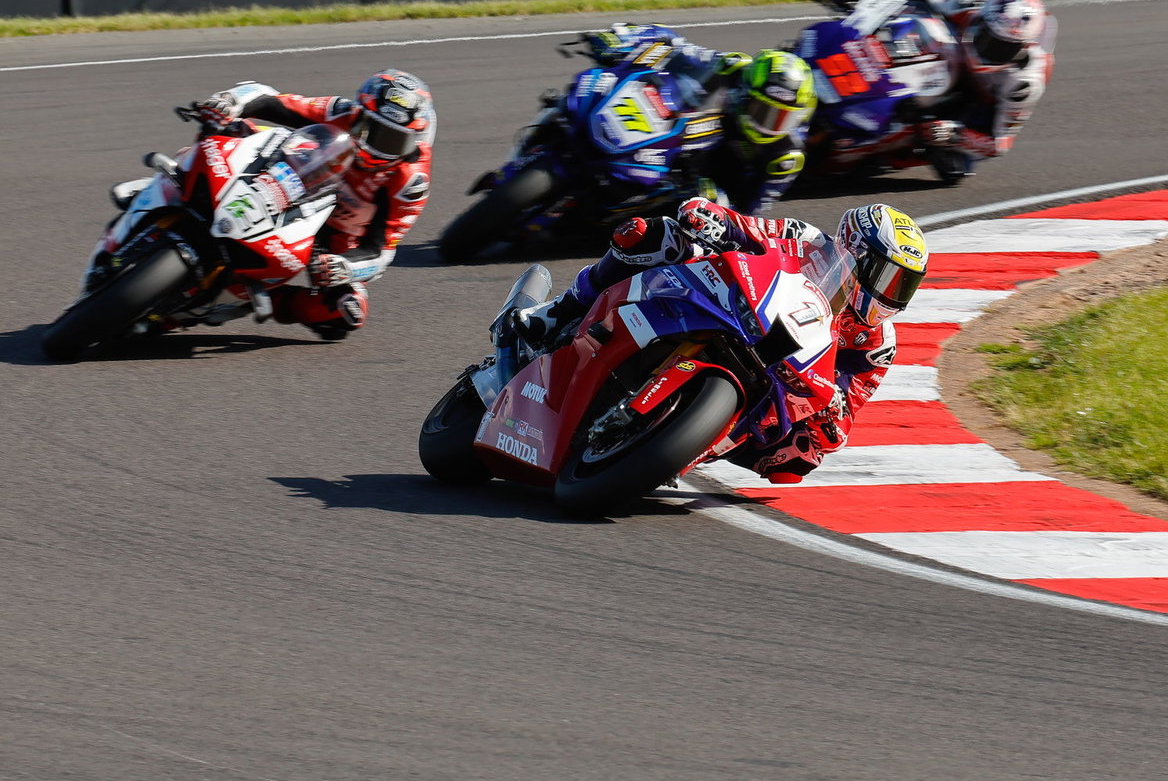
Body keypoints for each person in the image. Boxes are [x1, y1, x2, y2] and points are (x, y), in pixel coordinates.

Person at [514, 197, 928, 484]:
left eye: (904, 285)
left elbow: (849, 407)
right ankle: (560, 310)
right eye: (888, 277)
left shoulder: (876, 342)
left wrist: (832, 420)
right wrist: (709, 217)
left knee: (797, 460)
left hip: (778, 379)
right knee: (653, 235)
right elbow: (744, 227)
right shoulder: (806, 241)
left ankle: (677, 445)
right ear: (855, 250)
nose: (893, 293)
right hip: (732, 308)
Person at [111, 70, 436, 339]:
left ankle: (244, 300)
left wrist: (345, 266)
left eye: (393, 140)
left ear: (416, 140)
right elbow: (270, 100)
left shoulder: (410, 184)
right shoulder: (343, 112)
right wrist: (228, 102)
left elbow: (382, 249)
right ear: (361, 112)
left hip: (331, 236)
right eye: (372, 130)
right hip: (291, 176)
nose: (378, 147)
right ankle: (173, 185)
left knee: (346, 311)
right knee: (232, 127)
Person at [829, 0, 1055, 181]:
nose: (988, 47)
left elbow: (999, 143)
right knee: (911, 7)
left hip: (973, 105)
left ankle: (861, 151)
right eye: (986, 35)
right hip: (941, 56)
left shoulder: (1024, 83)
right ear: (983, 17)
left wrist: (955, 134)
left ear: (1022, 48)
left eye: (1001, 47)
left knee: (952, 165)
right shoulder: (969, 6)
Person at [579, 23, 817, 215]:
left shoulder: (786, 158)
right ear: (745, 94)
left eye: (781, 118)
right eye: (762, 110)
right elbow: (675, 45)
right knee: (605, 83)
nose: (769, 123)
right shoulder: (734, 67)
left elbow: (748, 214)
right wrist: (628, 37)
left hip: (704, 184)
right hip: (672, 135)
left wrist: (720, 203)